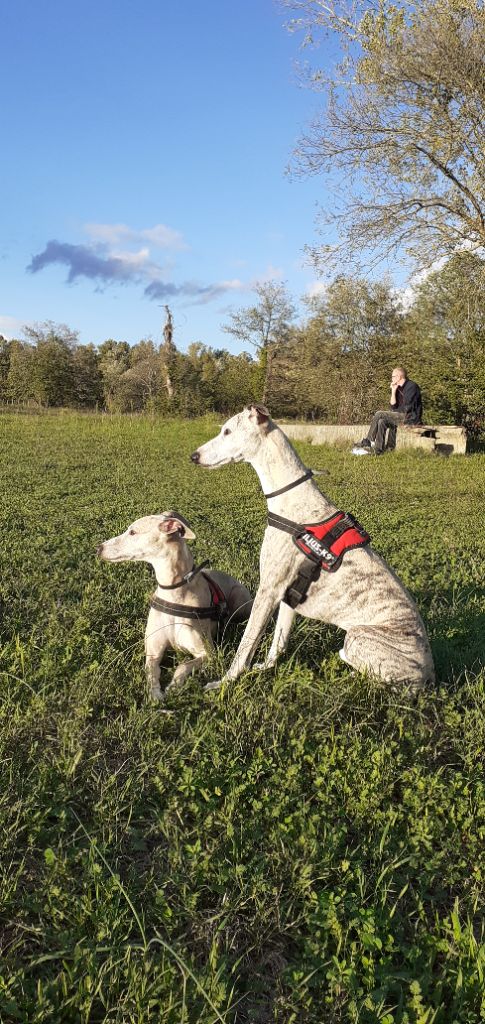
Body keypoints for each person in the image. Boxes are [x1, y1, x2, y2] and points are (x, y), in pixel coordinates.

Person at [352, 367, 423, 455]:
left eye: (393, 376)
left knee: (379, 414)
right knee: (382, 421)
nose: (391, 379)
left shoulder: (412, 386)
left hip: (410, 417)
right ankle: (379, 450)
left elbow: (408, 407)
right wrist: (393, 391)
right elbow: (393, 406)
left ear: (399, 377)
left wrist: (395, 412)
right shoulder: (398, 388)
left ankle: (369, 440)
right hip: (400, 415)